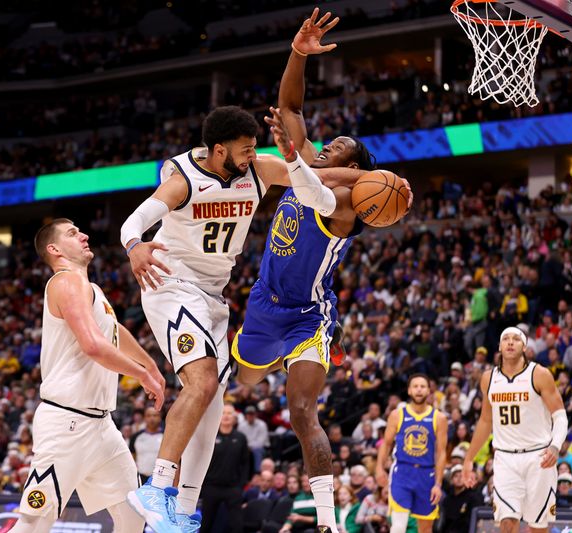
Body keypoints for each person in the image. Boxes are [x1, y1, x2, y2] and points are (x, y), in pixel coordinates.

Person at [121, 102, 368, 531]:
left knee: (213, 402)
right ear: (219, 151)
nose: (254, 154)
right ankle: (155, 488)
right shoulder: (184, 180)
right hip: (171, 283)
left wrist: (364, 179)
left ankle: (181, 512)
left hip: (214, 296)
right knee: (200, 383)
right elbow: (138, 217)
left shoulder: (259, 169)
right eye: (245, 149)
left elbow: (316, 181)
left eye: (256, 147)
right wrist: (133, 245)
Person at [233, 10, 411, 533]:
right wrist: (298, 53)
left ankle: (330, 523)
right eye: (326, 147)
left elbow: (314, 181)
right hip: (265, 303)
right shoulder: (309, 165)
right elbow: (289, 106)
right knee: (242, 377)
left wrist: (299, 162)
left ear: (358, 171)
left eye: (339, 150)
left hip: (309, 316)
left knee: (302, 411)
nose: (325, 147)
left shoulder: (347, 205)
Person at [10, 219, 165, 533]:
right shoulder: (66, 282)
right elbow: (94, 345)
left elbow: (112, 330)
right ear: (54, 250)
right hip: (66, 423)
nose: (84, 235)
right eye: (72, 233)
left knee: (134, 516)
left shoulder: (91, 289)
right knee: (33, 524)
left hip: (101, 427)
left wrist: (149, 364)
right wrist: (141, 376)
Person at [463, 327, 568, 533]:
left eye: (516, 339)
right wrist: (469, 458)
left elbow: (560, 416)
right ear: (500, 346)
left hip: (538, 457)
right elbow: (485, 421)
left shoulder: (539, 374)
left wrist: (555, 446)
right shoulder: (489, 378)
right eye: (506, 339)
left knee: (537, 526)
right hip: (505, 458)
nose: (510, 342)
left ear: (525, 346)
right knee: (507, 522)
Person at [375, 374, 448, 533]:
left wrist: (438, 483)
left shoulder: (439, 418)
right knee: (398, 527)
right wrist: (379, 468)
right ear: (409, 391)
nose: (419, 390)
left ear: (429, 390)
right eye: (415, 386)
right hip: (402, 472)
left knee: (425, 529)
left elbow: (441, 453)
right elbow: (386, 444)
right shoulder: (397, 415)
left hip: (426, 474)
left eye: (423, 386)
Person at [199, 404, 250, 533]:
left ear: (235, 418)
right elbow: (202, 461)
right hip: (211, 487)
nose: (226, 416)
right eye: (223, 413)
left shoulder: (241, 438)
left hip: (233, 488)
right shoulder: (211, 436)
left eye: (229, 413)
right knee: (205, 524)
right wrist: (204, 484)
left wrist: (241, 485)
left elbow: (246, 464)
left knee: (237, 525)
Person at [130, 407, 164, 484]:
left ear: (160, 418)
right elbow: (131, 458)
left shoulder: (165, 436)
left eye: (155, 415)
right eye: (149, 416)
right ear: (144, 418)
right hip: (140, 478)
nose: (152, 418)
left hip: (160, 479)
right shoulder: (136, 436)